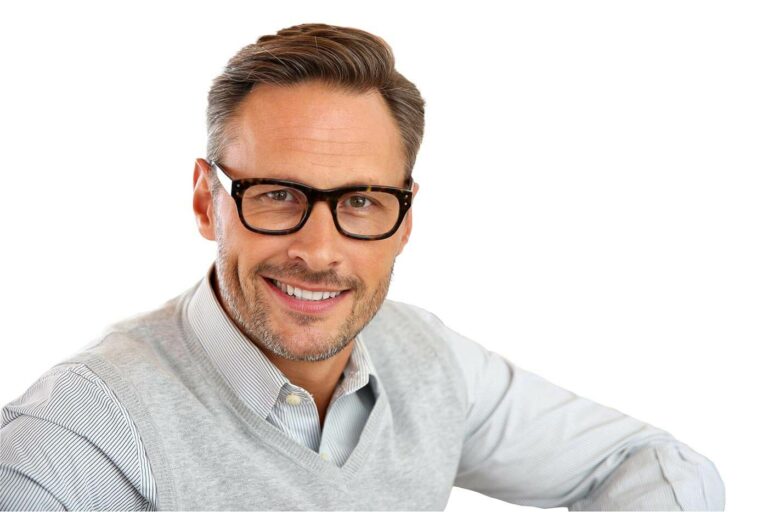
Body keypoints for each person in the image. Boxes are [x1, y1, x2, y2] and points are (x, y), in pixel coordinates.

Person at [0, 23, 724, 511]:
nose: (318, 250)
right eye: (277, 195)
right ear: (206, 202)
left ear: (404, 220)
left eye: (361, 201)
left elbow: (652, 463)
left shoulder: (429, 361)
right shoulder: (78, 433)